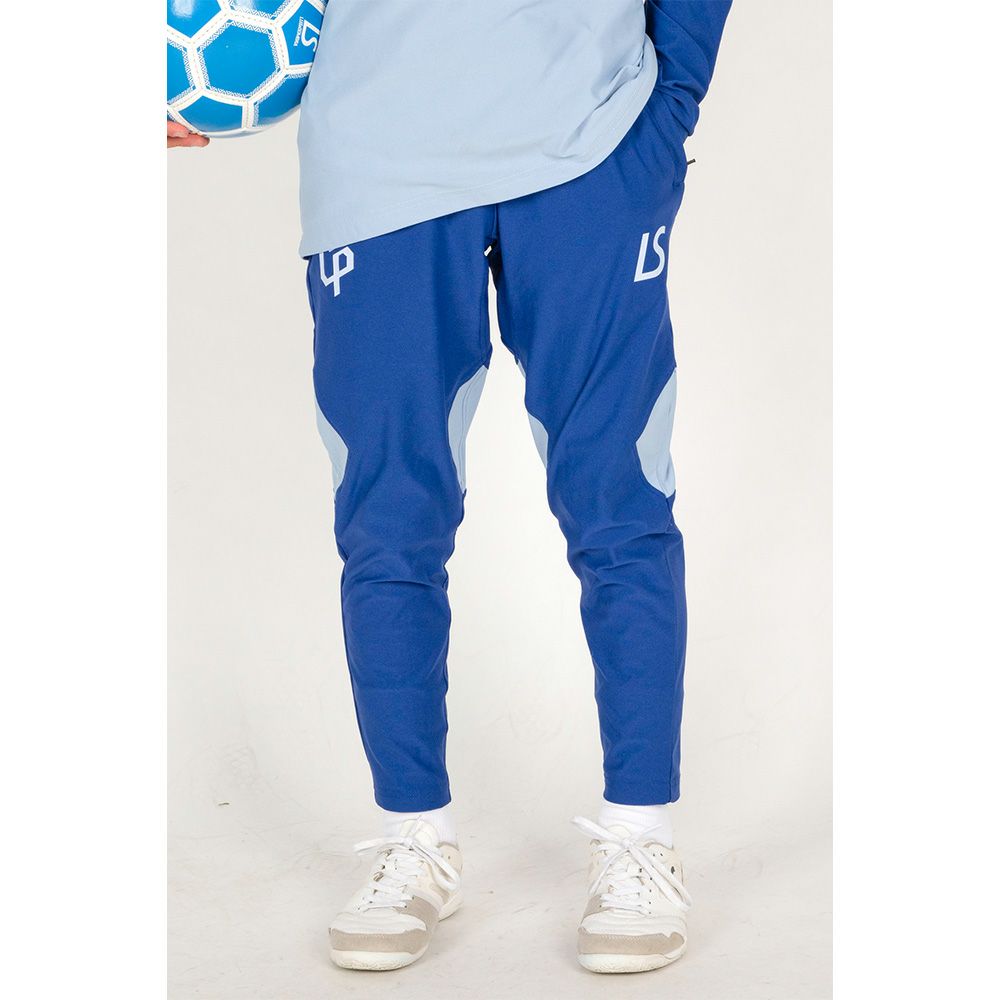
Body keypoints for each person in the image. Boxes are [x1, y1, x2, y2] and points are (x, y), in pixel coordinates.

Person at [170, 0, 731, 975]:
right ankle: (414, 836)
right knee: (388, 523)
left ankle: (641, 834)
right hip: (378, 162)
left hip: (591, 143)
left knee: (619, 501)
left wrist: (672, 99)